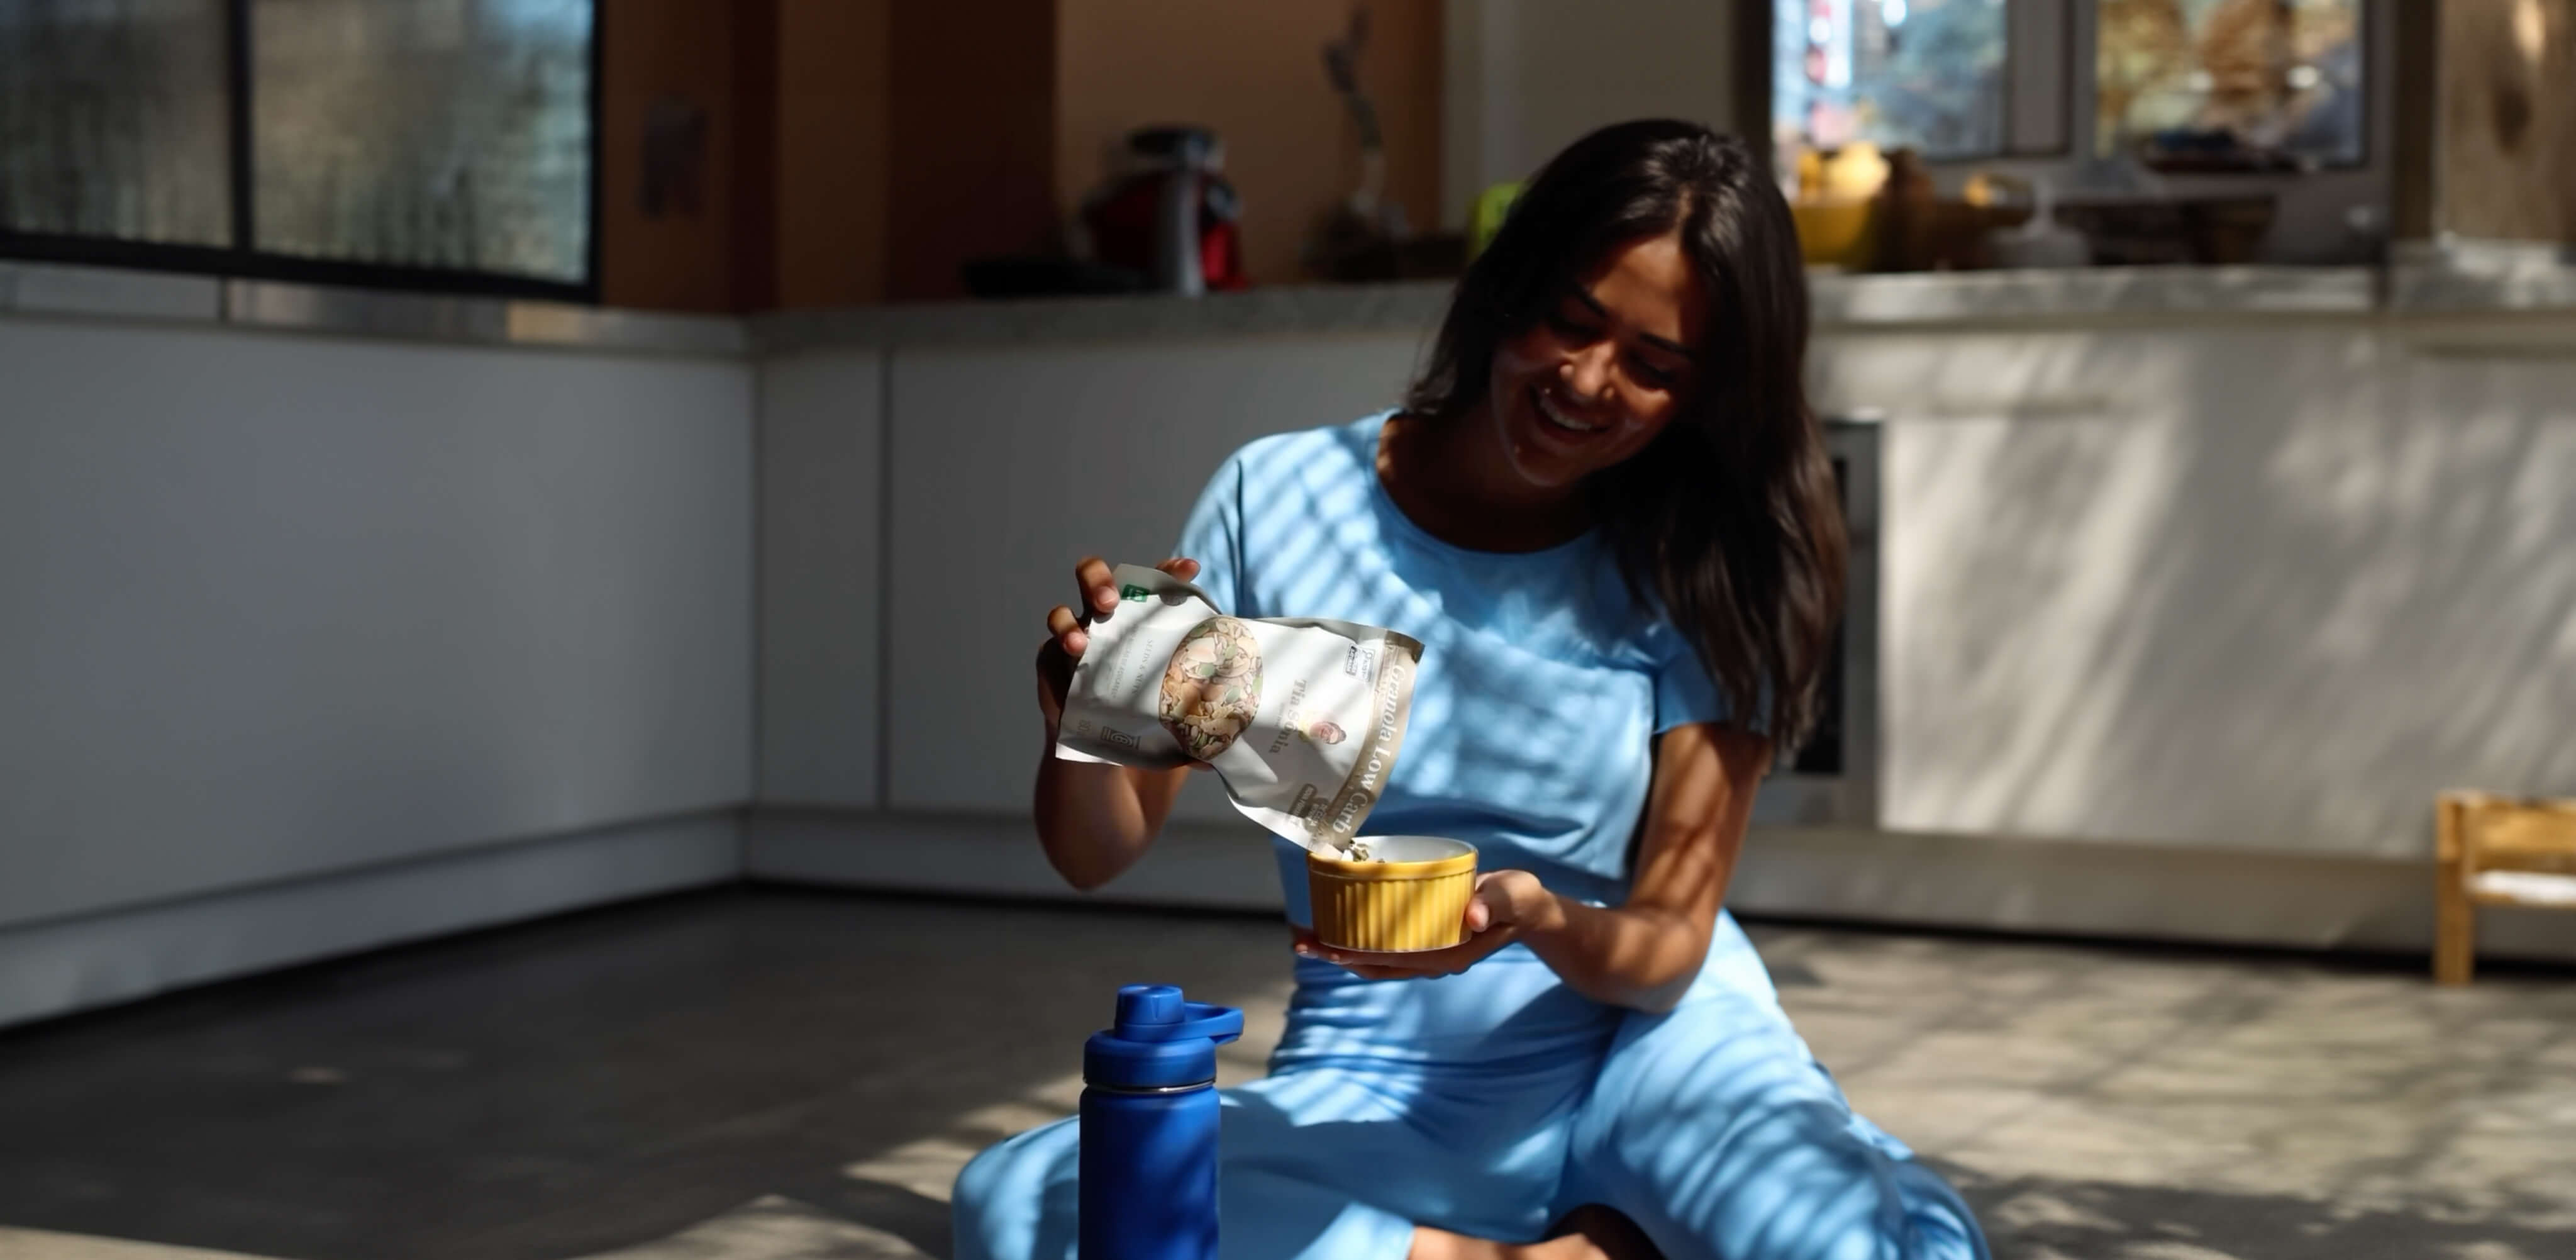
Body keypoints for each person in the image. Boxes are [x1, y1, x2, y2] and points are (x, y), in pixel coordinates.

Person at [955, 120, 1989, 1260]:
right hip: (1382, 1086)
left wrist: (1539, 919)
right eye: (1574, 321)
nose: (1589, 383)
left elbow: (1668, 945)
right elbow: (1095, 853)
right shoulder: (1279, 497)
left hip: (1657, 1043)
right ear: (1510, 286)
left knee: (1852, 1250)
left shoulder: (1694, 565)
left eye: (1654, 368)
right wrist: (1080, 725)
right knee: (1033, 1204)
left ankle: (1758, 1197)